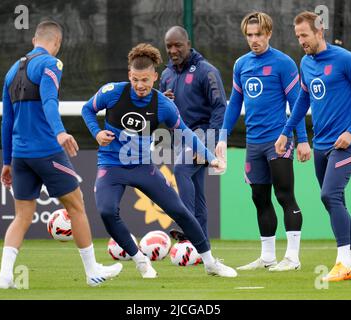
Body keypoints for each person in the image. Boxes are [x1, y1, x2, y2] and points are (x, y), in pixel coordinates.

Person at [81, 43, 237, 278]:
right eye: (135, 79)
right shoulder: (112, 92)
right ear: (129, 75)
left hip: (144, 168)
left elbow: (185, 132)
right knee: (106, 211)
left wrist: (210, 157)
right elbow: (87, 110)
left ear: (155, 76)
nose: (140, 85)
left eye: (145, 80)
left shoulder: (163, 105)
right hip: (111, 166)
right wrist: (97, 133)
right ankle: (140, 261)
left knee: (181, 211)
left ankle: (210, 262)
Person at [0, 20, 122, 289]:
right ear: (57, 43)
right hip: (47, 151)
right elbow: (49, 100)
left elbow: (6, 120)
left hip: (20, 155)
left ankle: (4, 275)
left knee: (22, 216)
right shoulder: (51, 64)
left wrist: (6, 161)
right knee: (76, 205)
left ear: (34, 40)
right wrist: (60, 133)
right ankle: (92, 272)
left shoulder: (11, 71)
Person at [275, 11, 351, 281]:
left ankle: (342, 262)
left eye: (304, 35)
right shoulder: (305, 63)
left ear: (320, 32)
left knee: (329, 195)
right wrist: (287, 133)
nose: (301, 41)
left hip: (344, 144)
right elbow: (302, 100)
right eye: (297, 37)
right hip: (320, 145)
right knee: (336, 200)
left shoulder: (346, 60)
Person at [216, 12, 312, 272]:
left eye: (259, 34)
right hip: (253, 143)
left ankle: (292, 258)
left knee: (284, 195)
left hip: (278, 140)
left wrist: (302, 140)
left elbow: (298, 103)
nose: (254, 39)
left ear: (268, 33)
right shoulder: (241, 65)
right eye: (249, 35)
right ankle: (268, 257)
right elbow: (235, 103)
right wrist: (223, 135)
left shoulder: (284, 63)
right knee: (260, 198)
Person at [160, 26, 227, 242]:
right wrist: (164, 101)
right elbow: (164, 113)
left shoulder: (206, 71)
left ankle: (184, 225)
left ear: (188, 44)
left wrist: (209, 144)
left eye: (177, 45)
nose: (173, 50)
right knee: (197, 194)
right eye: (169, 46)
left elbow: (220, 107)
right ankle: (202, 247)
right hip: (182, 138)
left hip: (203, 135)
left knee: (181, 170)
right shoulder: (167, 74)